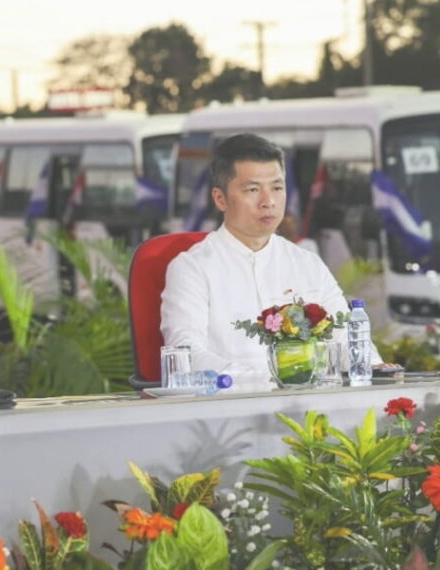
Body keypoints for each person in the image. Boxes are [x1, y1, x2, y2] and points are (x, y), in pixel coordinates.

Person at [160, 134, 388, 390]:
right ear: (220, 199)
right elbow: (186, 354)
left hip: (309, 409)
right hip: (226, 411)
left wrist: (375, 369)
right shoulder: (193, 267)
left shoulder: (307, 263)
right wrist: (267, 381)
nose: (268, 201)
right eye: (253, 189)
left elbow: (346, 337)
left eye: (277, 188)